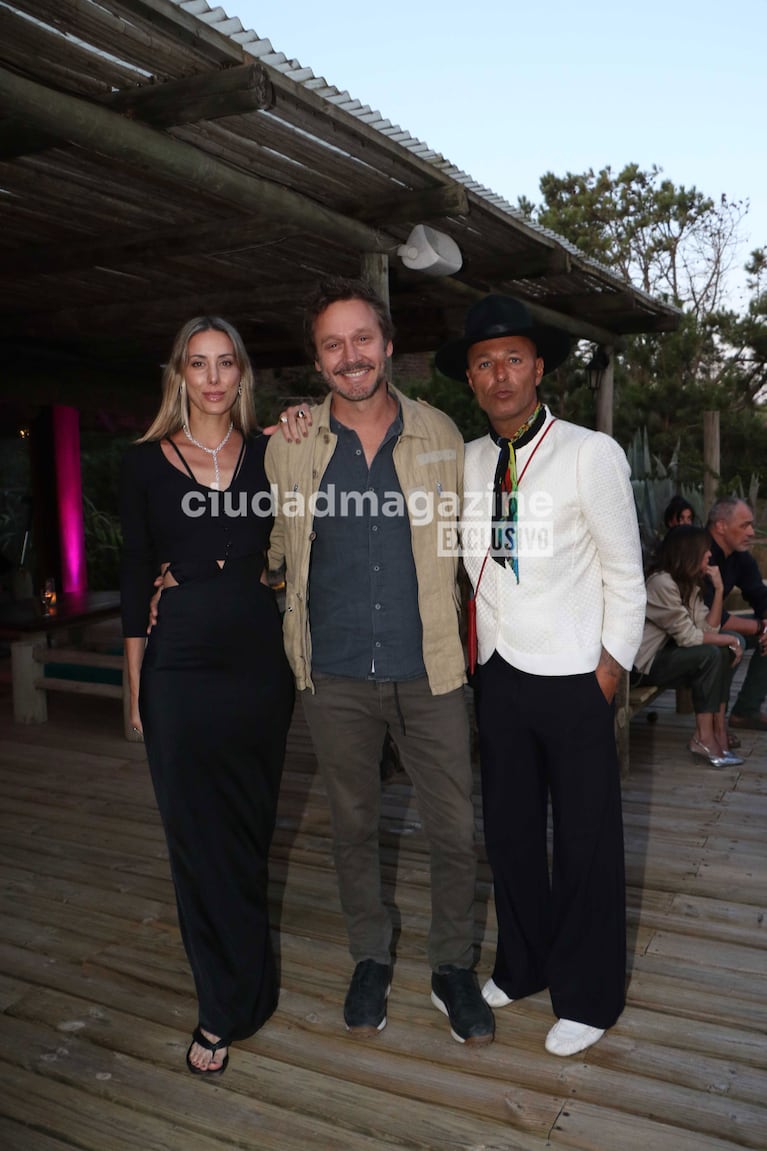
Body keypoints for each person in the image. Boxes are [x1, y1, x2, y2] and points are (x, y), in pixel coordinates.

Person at [265, 278, 493, 1046]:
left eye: (362, 339)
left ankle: (451, 966)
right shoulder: (290, 445)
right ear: (317, 359)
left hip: (428, 668)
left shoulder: (441, 436)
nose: (349, 356)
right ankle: (370, 954)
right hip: (331, 674)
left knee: (456, 829)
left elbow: (480, 544)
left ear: (388, 345)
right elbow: (269, 550)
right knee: (354, 825)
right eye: (332, 344)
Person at [437, 295, 646, 1058]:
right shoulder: (462, 460)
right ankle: (522, 963)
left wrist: (607, 672)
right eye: (485, 362)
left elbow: (627, 576)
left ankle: (588, 994)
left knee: (586, 839)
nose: (500, 374)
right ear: (469, 375)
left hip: (573, 676)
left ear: (539, 367)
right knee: (512, 833)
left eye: (513, 358)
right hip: (496, 673)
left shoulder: (590, 452)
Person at [119, 317, 295, 1077]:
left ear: (242, 375)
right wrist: (134, 695)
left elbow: (305, 534)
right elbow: (133, 583)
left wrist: (299, 421)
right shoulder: (143, 465)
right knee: (196, 840)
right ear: (180, 376)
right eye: (199, 364)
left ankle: (252, 984)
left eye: (226, 364)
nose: (214, 377)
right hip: (178, 667)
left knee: (249, 833)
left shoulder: (273, 451)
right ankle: (217, 1004)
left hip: (258, 660)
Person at [633, 525, 744, 766]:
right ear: (688, 552)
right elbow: (688, 637)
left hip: (663, 657)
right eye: (704, 551)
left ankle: (716, 732)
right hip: (639, 668)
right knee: (713, 652)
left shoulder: (687, 584)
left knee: (720, 651)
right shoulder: (661, 583)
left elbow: (708, 629)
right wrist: (731, 639)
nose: (708, 555)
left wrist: (719, 590)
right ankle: (704, 737)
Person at [705, 497, 767, 730]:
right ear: (720, 526)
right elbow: (708, 618)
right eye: (744, 525)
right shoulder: (698, 551)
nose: (751, 532)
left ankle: (746, 711)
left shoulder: (739, 556)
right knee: (733, 642)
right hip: (678, 633)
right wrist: (761, 628)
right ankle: (713, 724)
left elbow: (760, 596)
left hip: (710, 627)